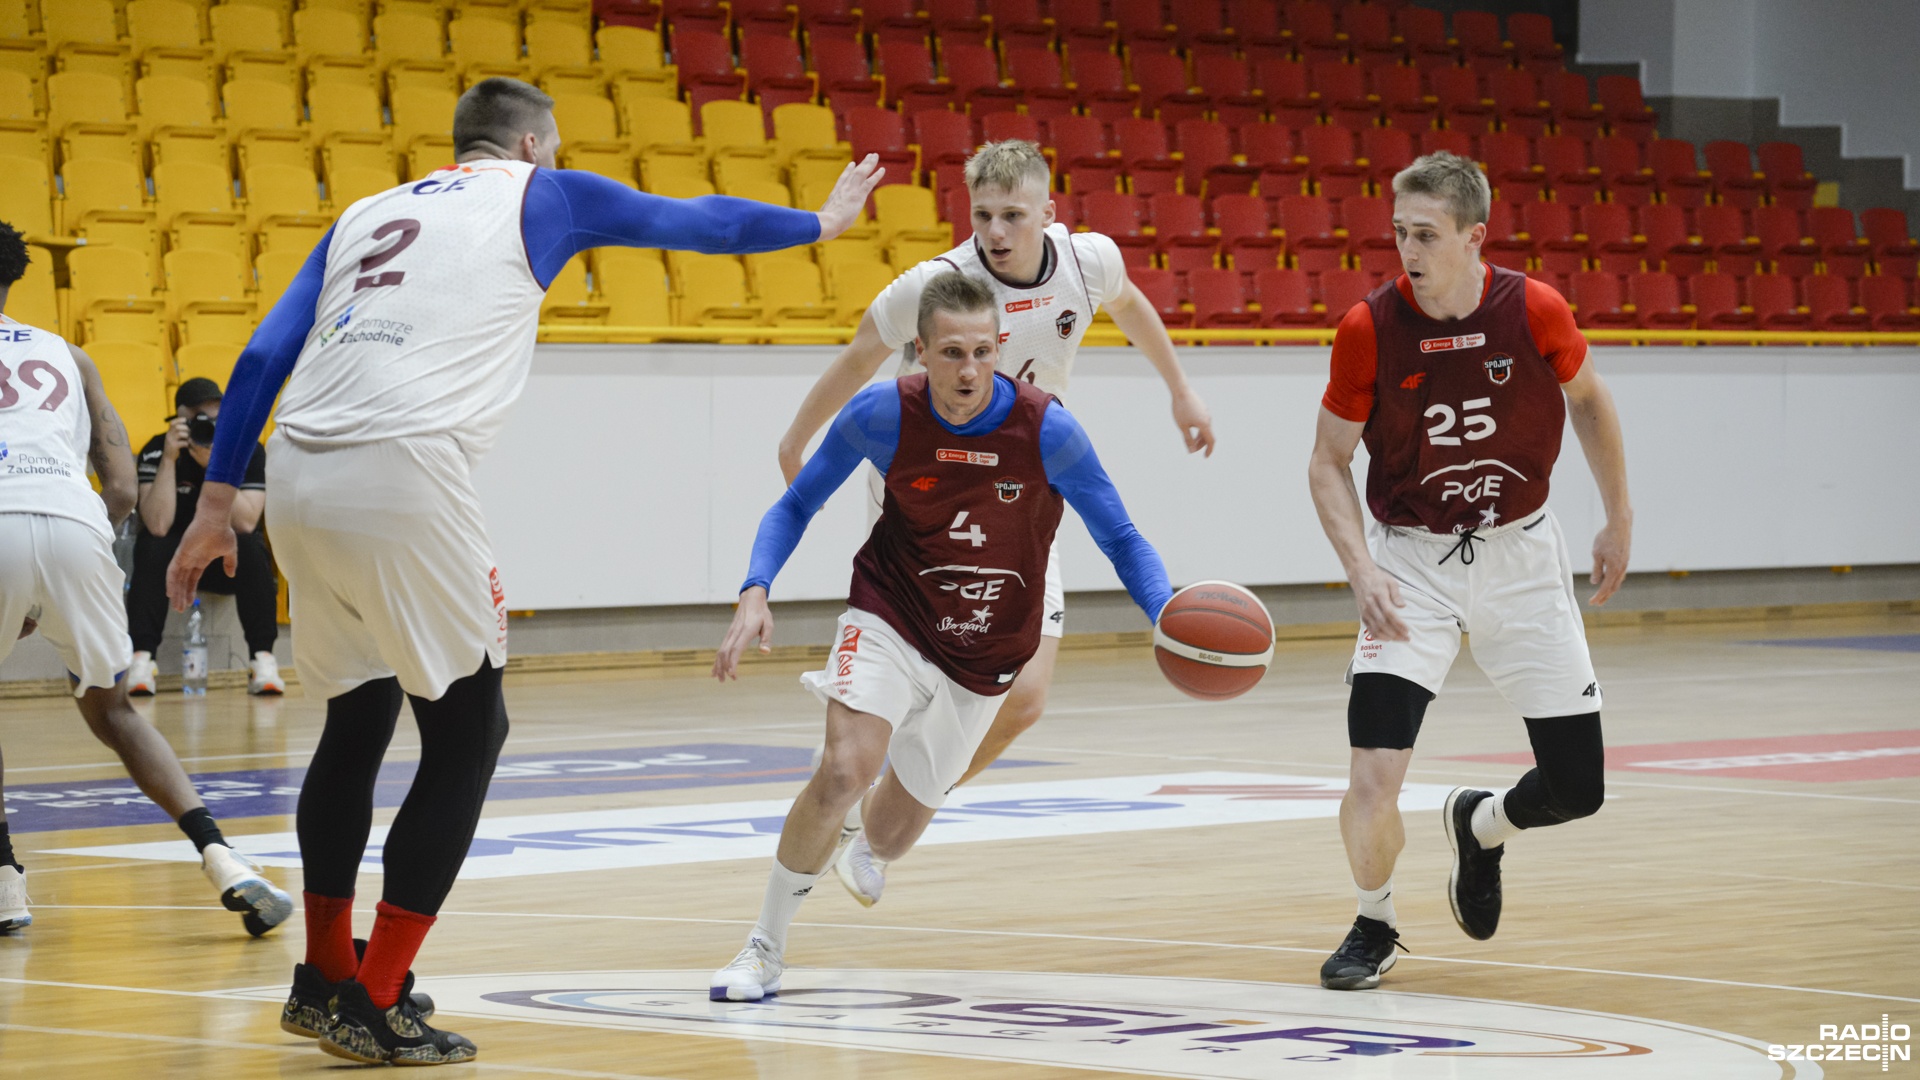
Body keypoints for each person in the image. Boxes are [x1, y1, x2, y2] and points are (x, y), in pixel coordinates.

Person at [164, 77, 883, 1065]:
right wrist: (819, 223)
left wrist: (215, 507)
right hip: (404, 466)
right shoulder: (543, 192)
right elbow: (700, 220)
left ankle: (325, 976)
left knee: (357, 718)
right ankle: (379, 998)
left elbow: (259, 359)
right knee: (470, 732)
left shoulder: (364, 212)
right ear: (533, 144)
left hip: (296, 470)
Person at [708, 271, 1173, 1003]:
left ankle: (859, 825)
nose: (968, 370)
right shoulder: (882, 415)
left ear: (1000, 348)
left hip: (987, 647)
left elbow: (1121, 536)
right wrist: (755, 588)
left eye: (983, 352)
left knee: (888, 839)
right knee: (843, 770)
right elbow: (794, 504)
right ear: (920, 351)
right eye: (951, 353)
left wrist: (1165, 611)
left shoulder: (1048, 430)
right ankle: (763, 946)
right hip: (892, 612)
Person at [775, 139, 1212, 895]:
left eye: (1013, 215)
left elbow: (1131, 305)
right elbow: (860, 355)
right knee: (927, 661)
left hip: (1019, 498)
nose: (996, 231)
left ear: (1049, 212)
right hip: (926, 494)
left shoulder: (1089, 262)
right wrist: (794, 440)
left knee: (1026, 700)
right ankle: (863, 769)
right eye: (982, 215)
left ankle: (882, 815)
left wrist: (1180, 389)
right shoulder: (937, 285)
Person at [1305, 151, 1632, 991]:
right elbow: (1327, 461)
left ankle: (1482, 828)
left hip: (1522, 556)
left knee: (1579, 788)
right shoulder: (1370, 328)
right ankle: (1373, 922)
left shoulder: (1534, 309)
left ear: (1474, 237)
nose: (1407, 250)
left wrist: (1618, 516)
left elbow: (1591, 401)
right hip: (1412, 564)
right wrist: (1361, 571)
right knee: (1372, 778)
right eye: (1399, 233)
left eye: (1426, 234)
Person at [0, 221, 295, 938]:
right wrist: (58, 572)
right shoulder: (67, 354)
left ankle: (6, 881)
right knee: (113, 711)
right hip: (74, 523)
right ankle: (224, 858)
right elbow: (122, 491)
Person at [126, 377, 281, 695]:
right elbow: (158, 524)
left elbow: (246, 522)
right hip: (175, 565)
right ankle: (142, 659)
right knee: (152, 545)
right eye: (198, 419)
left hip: (225, 563)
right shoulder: (157, 449)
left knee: (250, 545)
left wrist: (216, 469)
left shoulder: (246, 449)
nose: (208, 427)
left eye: (216, 419)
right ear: (179, 420)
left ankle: (262, 659)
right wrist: (169, 460)